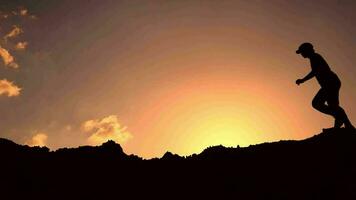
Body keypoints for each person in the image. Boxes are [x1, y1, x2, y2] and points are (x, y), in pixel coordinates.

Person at [295, 42, 354, 130]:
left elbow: (315, 72)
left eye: (302, 52)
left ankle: (343, 122)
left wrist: (302, 80)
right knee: (333, 105)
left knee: (317, 103)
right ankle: (345, 124)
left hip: (330, 83)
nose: (301, 54)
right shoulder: (313, 58)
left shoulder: (315, 57)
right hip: (331, 83)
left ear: (307, 50)